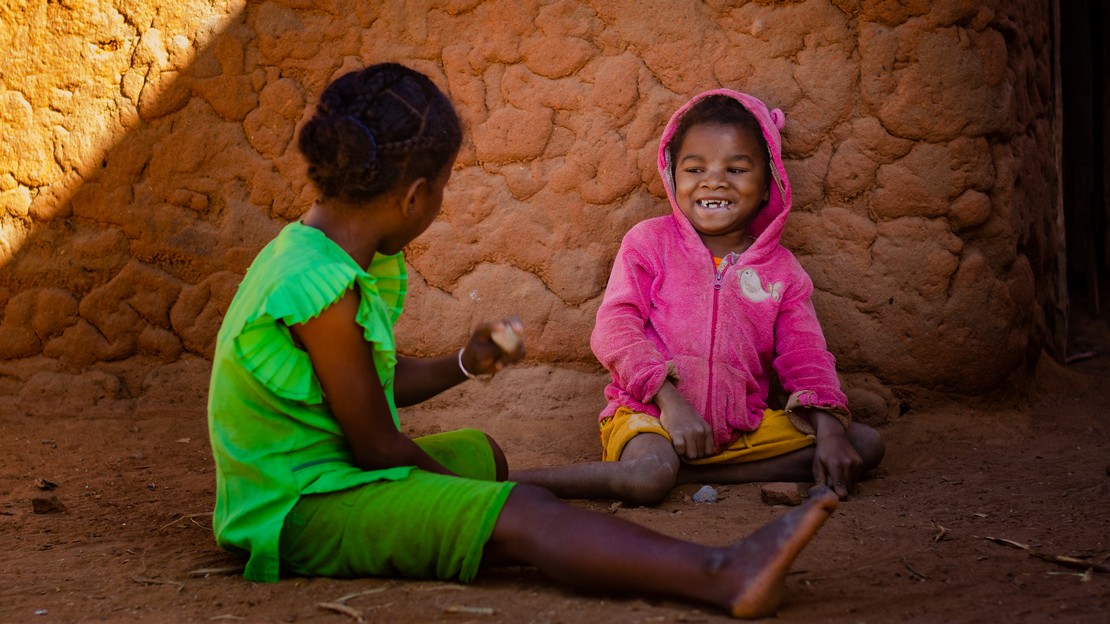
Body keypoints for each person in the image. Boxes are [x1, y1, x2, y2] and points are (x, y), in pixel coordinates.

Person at [206, 64, 840, 619]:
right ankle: (722, 572)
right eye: (445, 186)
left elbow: (369, 384)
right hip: (298, 507)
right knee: (526, 512)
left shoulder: (307, 252)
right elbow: (377, 446)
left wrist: (466, 362)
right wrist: (483, 503)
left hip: (321, 470)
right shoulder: (324, 289)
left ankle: (515, 504)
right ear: (416, 196)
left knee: (481, 453)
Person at [512, 90, 884, 506]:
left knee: (862, 443)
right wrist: (669, 401)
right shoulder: (649, 243)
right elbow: (614, 329)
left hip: (741, 427)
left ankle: (688, 469)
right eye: (695, 168)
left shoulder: (782, 271)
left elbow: (805, 353)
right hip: (651, 415)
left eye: (736, 169)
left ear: (768, 185)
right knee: (647, 478)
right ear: (674, 176)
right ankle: (511, 481)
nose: (714, 181)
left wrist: (829, 428)